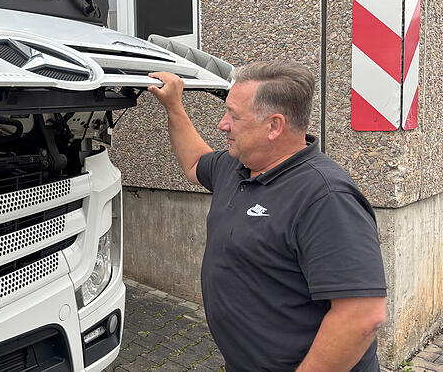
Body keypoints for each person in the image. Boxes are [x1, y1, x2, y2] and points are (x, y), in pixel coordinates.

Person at [148, 60, 386, 371]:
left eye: (234, 115)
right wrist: (174, 107)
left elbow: (362, 316)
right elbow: (195, 163)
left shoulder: (324, 196)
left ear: (274, 126)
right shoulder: (236, 166)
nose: (223, 124)